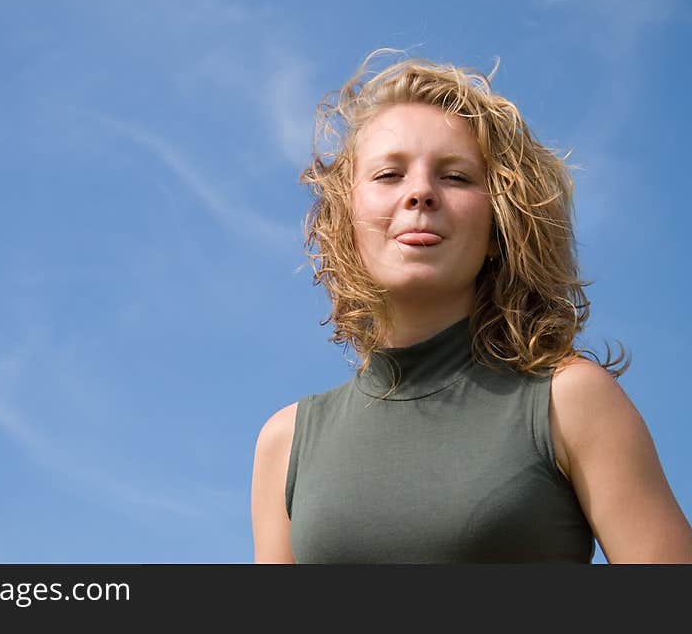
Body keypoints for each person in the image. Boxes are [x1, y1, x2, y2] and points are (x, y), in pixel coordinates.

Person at [250, 49, 692, 563]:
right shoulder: (285, 444)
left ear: (498, 227)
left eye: (456, 176)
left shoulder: (569, 401)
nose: (420, 193)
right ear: (346, 221)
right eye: (389, 175)